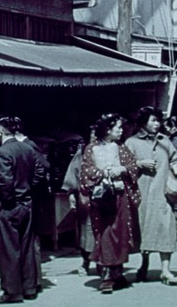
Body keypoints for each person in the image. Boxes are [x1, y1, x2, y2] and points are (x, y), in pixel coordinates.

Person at [79, 113, 141, 294]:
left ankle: (117, 272)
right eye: (118, 128)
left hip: (120, 196)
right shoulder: (91, 149)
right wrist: (104, 173)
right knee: (105, 233)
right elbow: (85, 171)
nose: (121, 131)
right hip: (102, 198)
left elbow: (133, 167)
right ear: (107, 129)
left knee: (121, 232)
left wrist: (123, 169)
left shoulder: (122, 148)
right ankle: (107, 274)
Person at [126, 106, 177, 286]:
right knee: (144, 230)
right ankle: (144, 265)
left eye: (158, 121)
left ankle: (165, 270)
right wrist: (139, 163)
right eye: (153, 120)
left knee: (165, 230)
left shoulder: (165, 140)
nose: (157, 124)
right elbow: (124, 165)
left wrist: (176, 165)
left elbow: (176, 157)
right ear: (143, 122)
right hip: (141, 194)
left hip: (162, 193)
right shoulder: (131, 142)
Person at [0, 116, 41, 303]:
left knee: (9, 250)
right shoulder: (27, 148)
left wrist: (10, 202)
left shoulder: (2, 152)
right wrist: (28, 190)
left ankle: (12, 291)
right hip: (27, 203)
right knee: (27, 247)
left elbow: (5, 181)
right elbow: (40, 171)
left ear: (1, 131)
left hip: (11, 206)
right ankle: (29, 287)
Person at [61, 131, 96, 277]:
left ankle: (105, 263)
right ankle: (86, 262)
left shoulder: (114, 150)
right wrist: (70, 194)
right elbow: (73, 173)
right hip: (86, 197)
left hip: (107, 197)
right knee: (86, 232)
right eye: (93, 135)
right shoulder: (82, 153)